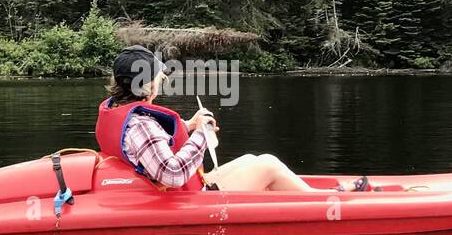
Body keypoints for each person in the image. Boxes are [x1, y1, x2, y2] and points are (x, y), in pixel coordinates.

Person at [95, 46, 314, 193]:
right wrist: (200, 134)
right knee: (268, 166)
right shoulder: (141, 125)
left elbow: (146, 145)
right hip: (192, 197)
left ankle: (320, 195)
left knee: (256, 158)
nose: (161, 81)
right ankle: (327, 200)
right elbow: (172, 174)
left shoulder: (115, 109)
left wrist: (189, 125)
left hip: (184, 189)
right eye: (157, 78)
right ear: (146, 84)